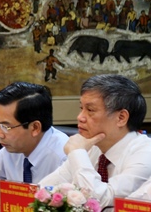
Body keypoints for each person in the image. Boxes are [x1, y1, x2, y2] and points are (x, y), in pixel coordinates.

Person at [39, 74, 151, 209]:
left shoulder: (146, 153)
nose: (80, 117)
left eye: (90, 110)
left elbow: (100, 201)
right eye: (81, 108)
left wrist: (77, 153)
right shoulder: (91, 146)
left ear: (121, 118)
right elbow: (42, 192)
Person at [0, 82, 69, 211]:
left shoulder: (64, 157)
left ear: (35, 128)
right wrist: (2, 202)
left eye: (5, 127)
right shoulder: (12, 149)